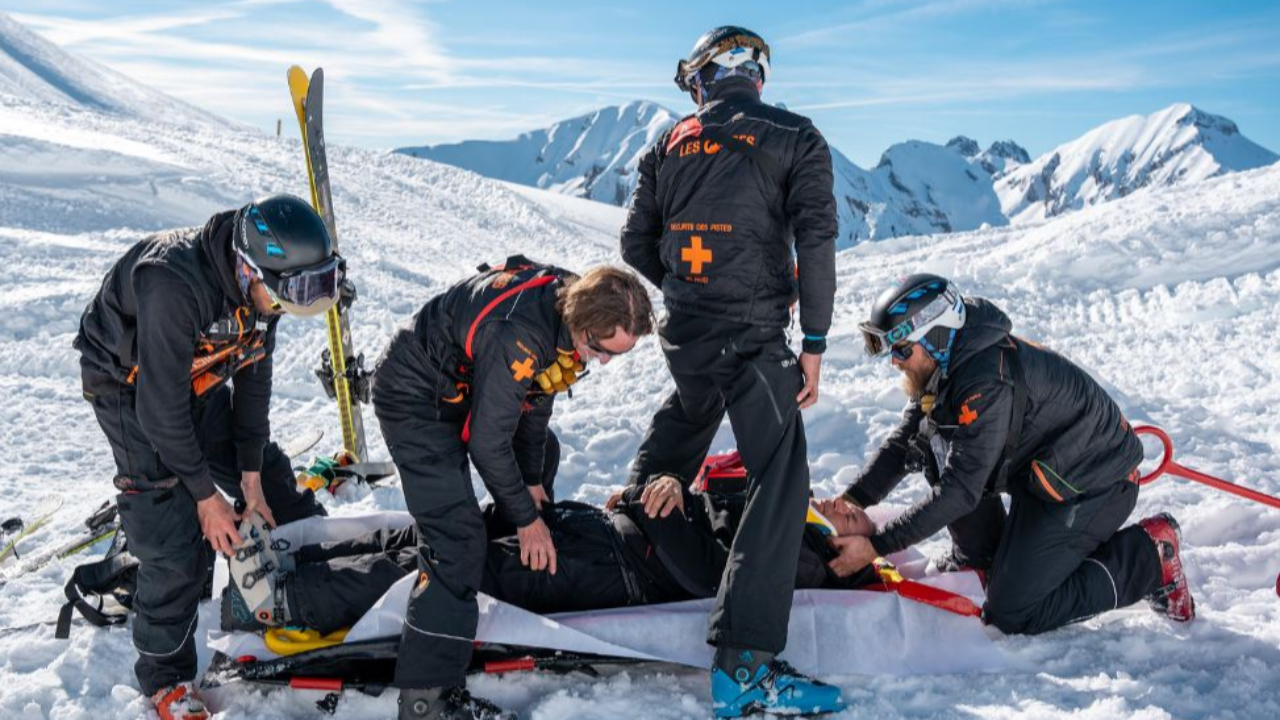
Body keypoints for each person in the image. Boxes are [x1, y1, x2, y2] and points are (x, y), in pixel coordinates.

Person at [618, 24, 842, 718]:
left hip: (685, 330)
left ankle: (635, 513)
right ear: (756, 75)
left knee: (689, 416)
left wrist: (688, 291)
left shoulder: (668, 141)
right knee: (780, 479)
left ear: (704, 78)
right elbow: (817, 241)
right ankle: (743, 667)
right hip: (752, 334)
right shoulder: (797, 135)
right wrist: (815, 341)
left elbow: (635, 242)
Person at [74, 194, 340, 720]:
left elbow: (254, 385)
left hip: (197, 375)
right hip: (128, 387)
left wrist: (251, 481)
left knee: (273, 482)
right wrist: (206, 498)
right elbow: (160, 412)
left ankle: (309, 591)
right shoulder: (172, 282)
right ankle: (165, 678)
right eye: (288, 295)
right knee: (175, 544)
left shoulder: (267, 290)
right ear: (247, 268)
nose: (289, 306)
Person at [819, 273, 1195, 637]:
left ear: (935, 335)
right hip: (1048, 477)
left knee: (1011, 610)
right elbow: (904, 443)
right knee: (931, 443)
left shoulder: (984, 383)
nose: (895, 362)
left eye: (901, 349)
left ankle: (1149, 559)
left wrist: (876, 546)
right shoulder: (950, 363)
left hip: (1095, 485)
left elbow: (961, 490)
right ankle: (980, 556)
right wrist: (851, 501)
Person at [371, 256, 654, 720]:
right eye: (602, 349)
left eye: (616, 355)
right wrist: (526, 518)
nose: (603, 361)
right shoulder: (521, 335)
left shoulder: (568, 303)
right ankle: (427, 698)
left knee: (544, 455)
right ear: (584, 325)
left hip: (459, 388)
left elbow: (535, 399)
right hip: (416, 397)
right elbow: (487, 442)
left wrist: (532, 483)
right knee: (457, 541)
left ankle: (497, 560)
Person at [219, 438, 876, 637]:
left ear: (852, 553)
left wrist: (662, 512)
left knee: (453, 574)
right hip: (599, 532)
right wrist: (656, 493)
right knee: (441, 540)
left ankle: (282, 601)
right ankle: (295, 560)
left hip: (611, 570)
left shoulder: (807, 565)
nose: (836, 503)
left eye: (852, 516)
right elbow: (712, 514)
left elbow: (714, 571)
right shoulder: (792, 526)